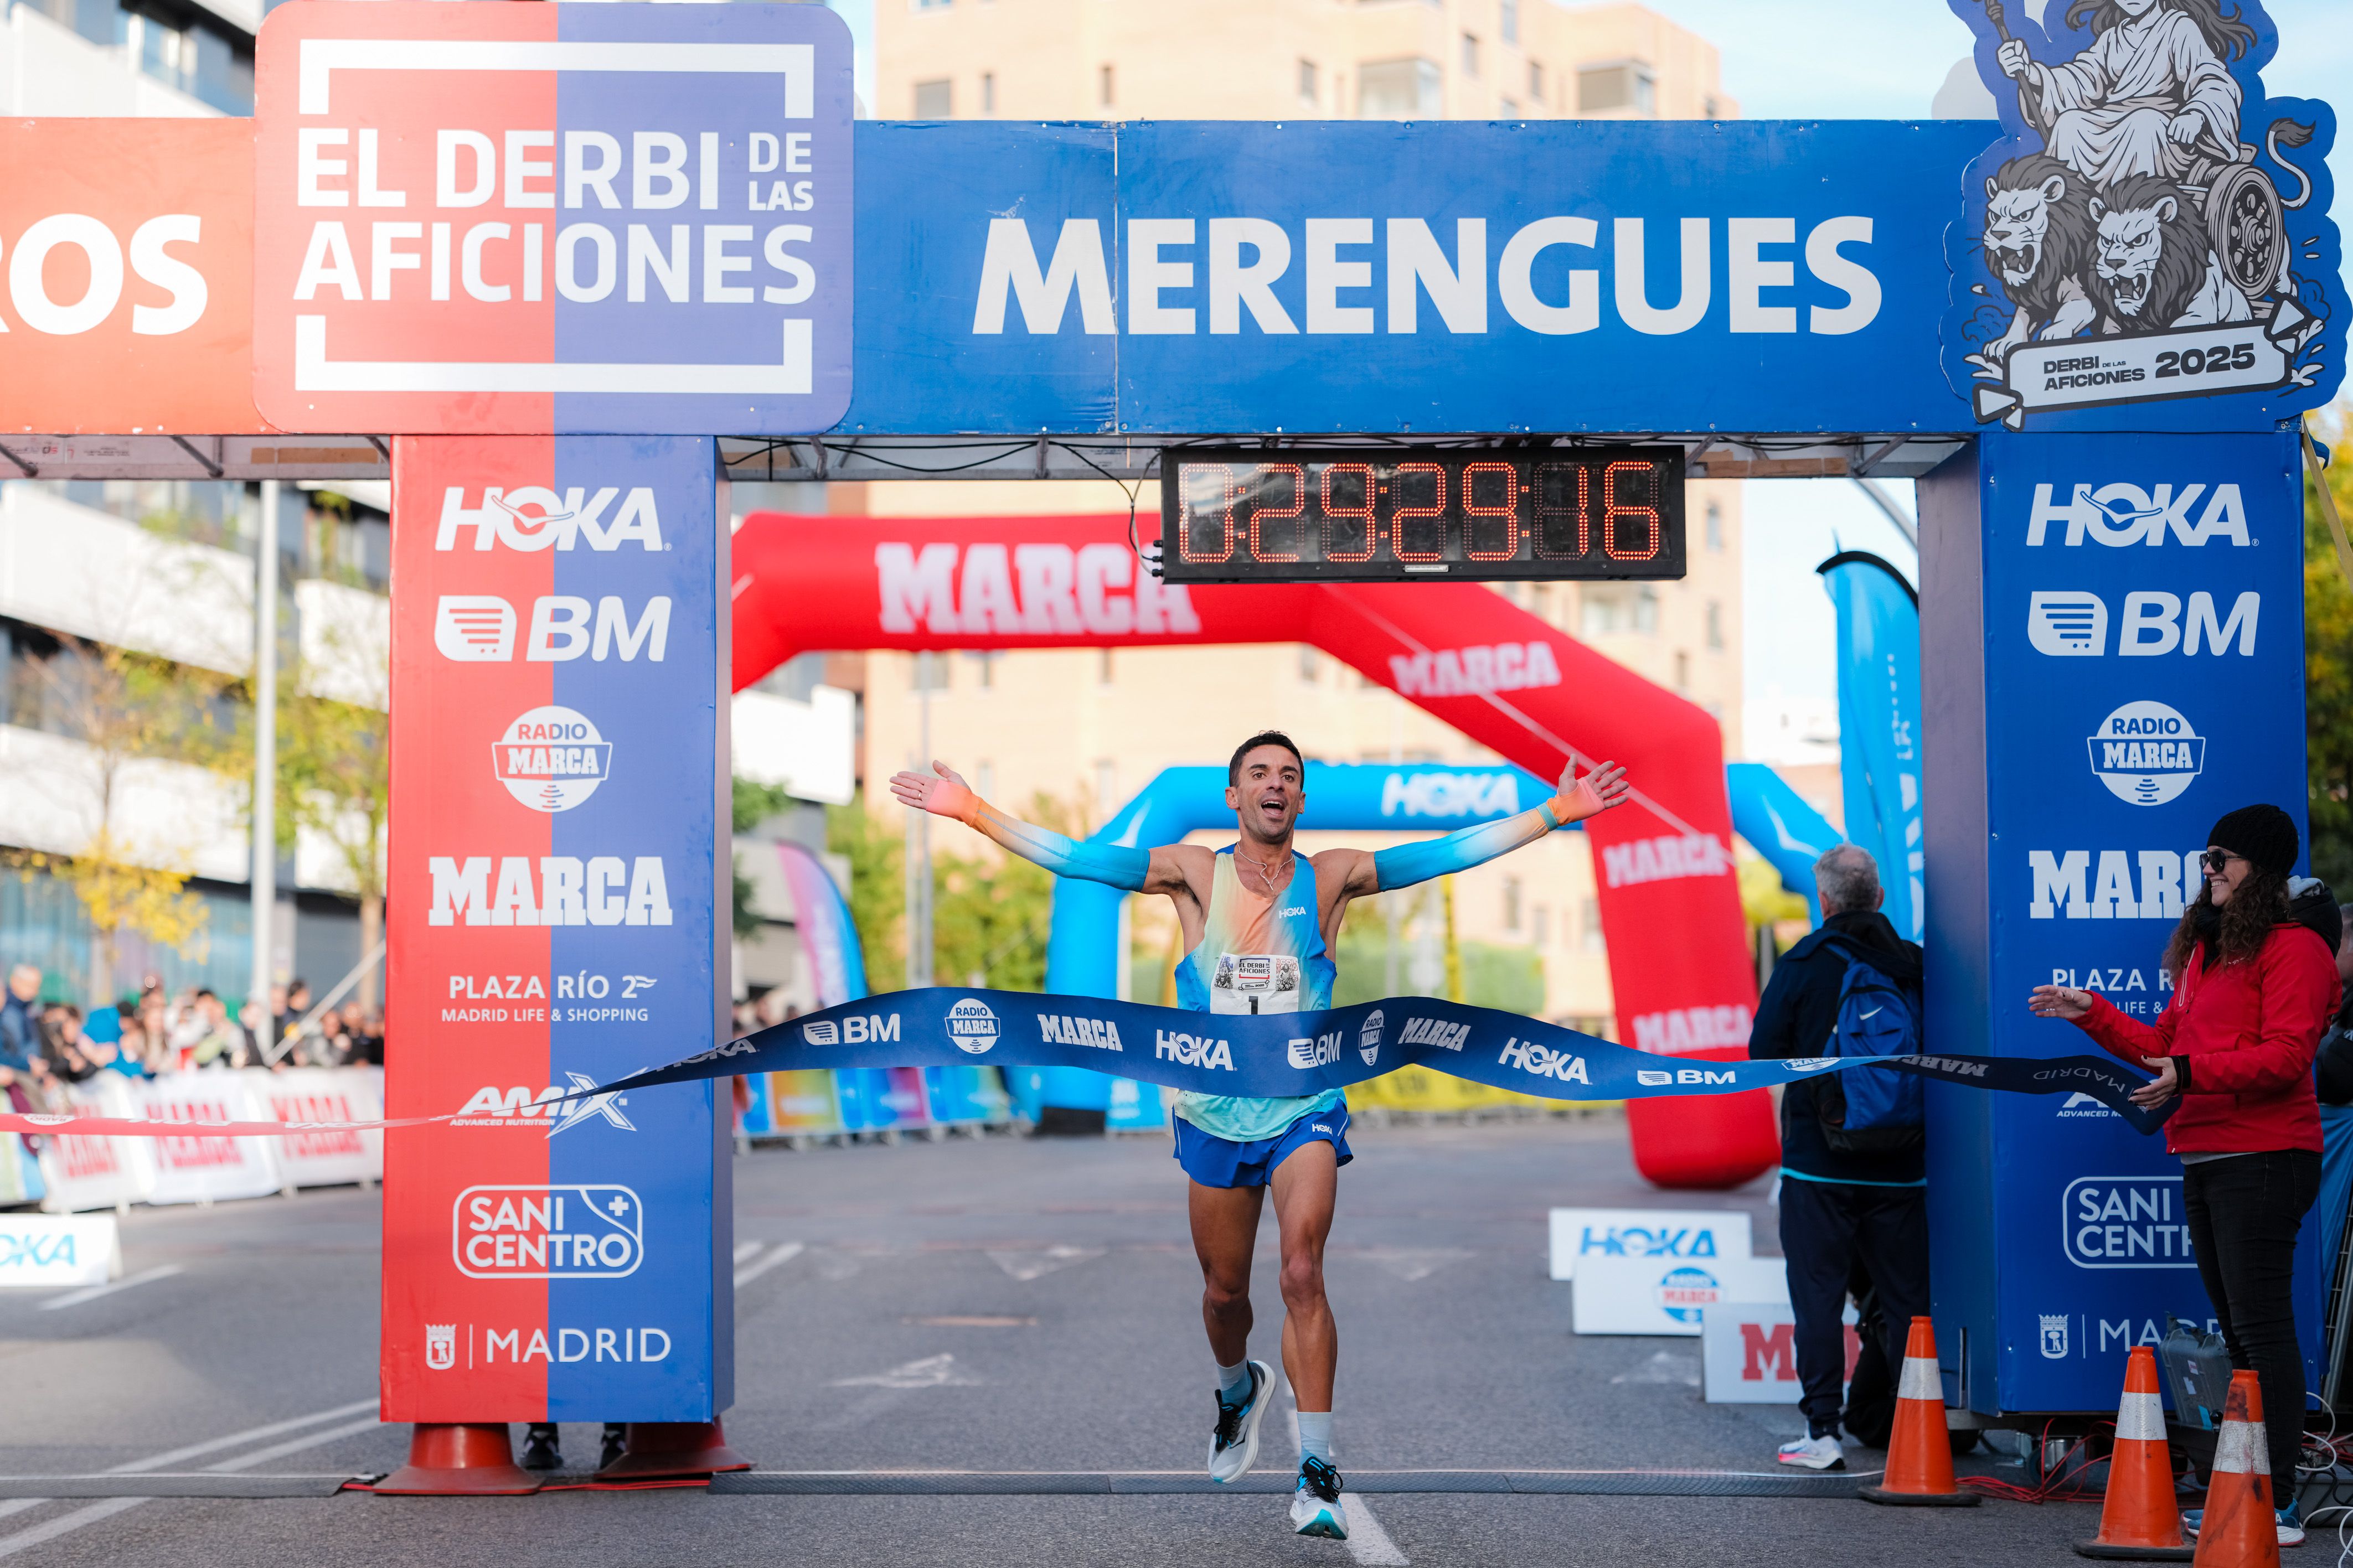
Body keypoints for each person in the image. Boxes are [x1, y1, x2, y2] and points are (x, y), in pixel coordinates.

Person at [894, 731, 1630, 1539]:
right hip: (1213, 1110)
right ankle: (1236, 1387)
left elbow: (1445, 853)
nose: (1274, 785)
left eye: (1288, 775)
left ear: (1300, 800)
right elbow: (1079, 862)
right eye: (1258, 774)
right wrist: (972, 813)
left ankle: (1317, 1473)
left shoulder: (1332, 876)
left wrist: (1557, 812)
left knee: (1302, 1270)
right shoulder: (1193, 872)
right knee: (1222, 1294)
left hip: (1302, 1101)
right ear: (1233, 797)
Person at [2032, 804, 2337, 1549]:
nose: (2208, 872)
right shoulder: (2209, 951)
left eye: (2221, 860)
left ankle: (2280, 1498)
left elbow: (2288, 1055)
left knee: (2259, 1329)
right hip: (2202, 1153)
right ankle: (2248, 1488)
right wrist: (2089, 1013)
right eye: (2204, 860)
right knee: (2240, 1331)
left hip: (2263, 1155)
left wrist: (2191, 1071)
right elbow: (2161, 1046)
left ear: (2258, 868)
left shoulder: (2295, 950)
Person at [1746, 843, 1929, 1472]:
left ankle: (1821, 1433)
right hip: (1903, 1165)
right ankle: (1919, 1428)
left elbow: (1762, 1050)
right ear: (1879, 898)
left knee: (1817, 1298)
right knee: (1908, 1300)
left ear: (1821, 901)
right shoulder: (1915, 964)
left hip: (1816, 1163)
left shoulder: (1802, 962)